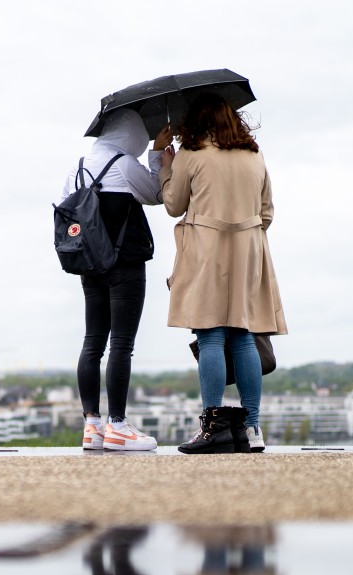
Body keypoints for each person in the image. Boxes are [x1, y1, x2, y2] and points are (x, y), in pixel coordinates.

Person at [158, 94, 287, 454]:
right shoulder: (254, 154)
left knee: (211, 336)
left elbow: (173, 205)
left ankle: (213, 426)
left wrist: (165, 165)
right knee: (244, 336)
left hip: (206, 251)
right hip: (248, 251)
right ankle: (251, 429)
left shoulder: (191, 154)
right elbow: (267, 213)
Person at [62, 108, 172, 452]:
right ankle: (119, 426)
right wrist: (157, 155)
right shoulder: (123, 165)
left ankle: (91, 425)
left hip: (91, 263)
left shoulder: (77, 168)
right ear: (131, 135)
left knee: (92, 342)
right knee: (121, 345)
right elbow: (156, 194)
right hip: (125, 263)